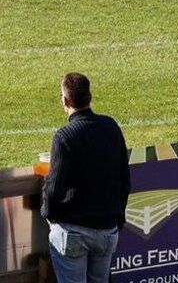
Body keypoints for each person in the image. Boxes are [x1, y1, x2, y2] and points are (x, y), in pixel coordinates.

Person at [43, 72, 130, 283]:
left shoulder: (64, 137)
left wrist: (48, 214)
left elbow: (54, 189)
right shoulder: (111, 127)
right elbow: (124, 179)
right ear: (89, 97)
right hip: (107, 230)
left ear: (65, 101)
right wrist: (117, 218)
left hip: (74, 232)